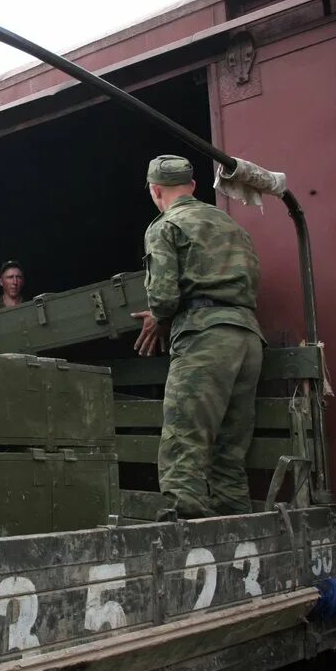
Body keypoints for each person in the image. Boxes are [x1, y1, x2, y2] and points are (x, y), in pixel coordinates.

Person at [131, 154, 265, 519]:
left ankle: (185, 522)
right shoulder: (229, 224)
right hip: (248, 337)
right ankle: (236, 522)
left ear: (156, 191)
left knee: (184, 437)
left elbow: (163, 296)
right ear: (192, 186)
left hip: (204, 337)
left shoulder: (165, 226)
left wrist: (158, 317)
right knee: (229, 449)